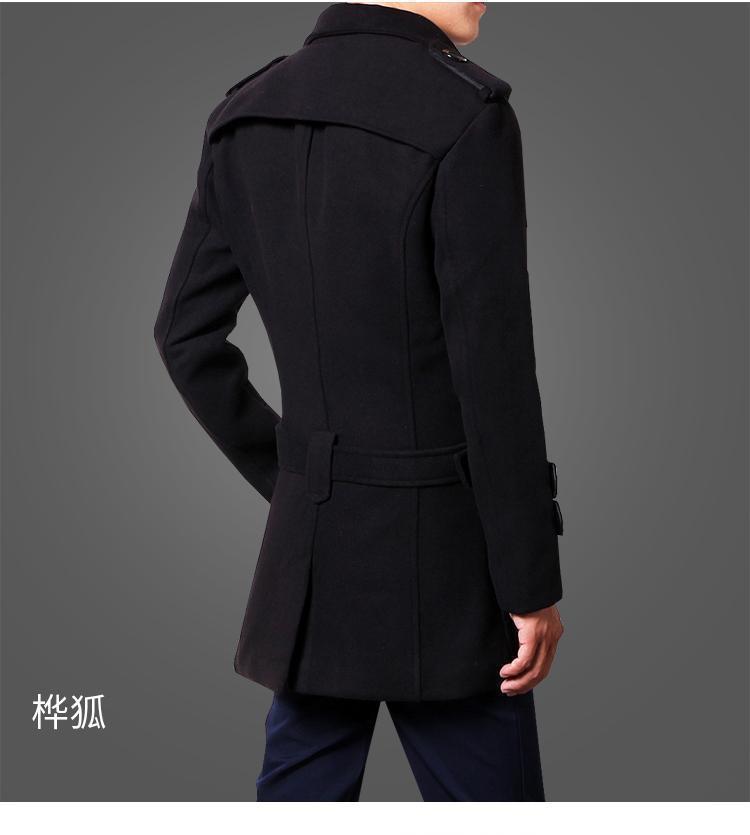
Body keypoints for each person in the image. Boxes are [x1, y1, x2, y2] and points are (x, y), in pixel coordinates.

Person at [154, 1, 564, 801]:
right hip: (444, 574)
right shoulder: (464, 114)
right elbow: (494, 371)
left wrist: (303, 480)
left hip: (314, 566)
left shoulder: (245, 114)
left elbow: (183, 336)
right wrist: (529, 583)